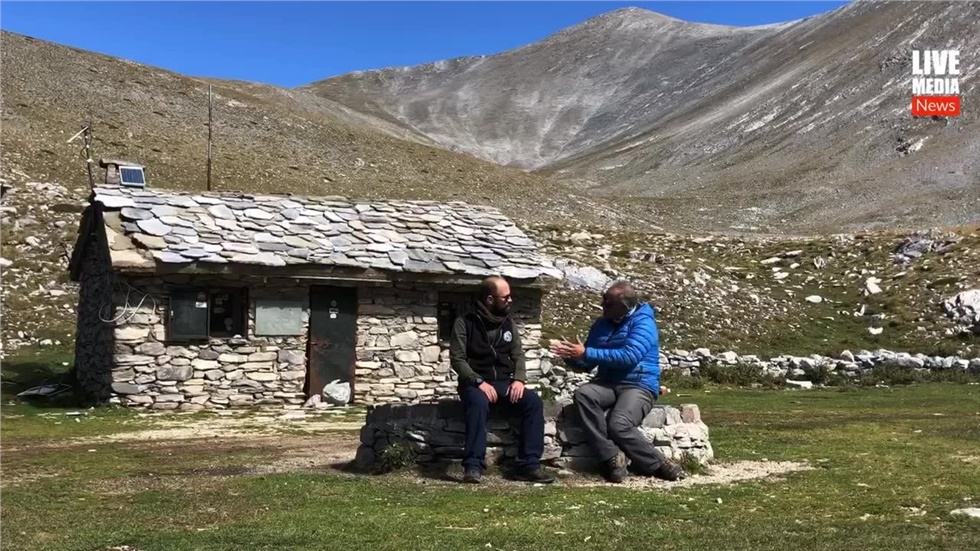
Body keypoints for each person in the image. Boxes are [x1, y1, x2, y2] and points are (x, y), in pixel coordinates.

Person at [550, 281, 685, 483]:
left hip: (639, 384)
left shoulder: (644, 323)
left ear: (625, 304)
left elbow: (629, 357)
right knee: (584, 394)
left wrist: (586, 352)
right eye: (603, 302)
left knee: (619, 424)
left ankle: (658, 464)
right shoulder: (602, 324)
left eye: (609, 304)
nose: (603, 307)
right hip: (608, 382)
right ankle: (612, 456)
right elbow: (588, 362)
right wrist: (572, 355)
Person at [449, 275, 556, 484]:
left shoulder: (508, 323)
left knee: (533, 402)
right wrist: (478, 381)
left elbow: (518, 354)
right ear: (490, 299)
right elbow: (458, 359)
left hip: (504, 382)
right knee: (478, 403)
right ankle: (473, 466)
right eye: (505, 297)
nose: (510, 300)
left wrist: (519, 379)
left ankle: (529, 464)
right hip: (475, 383)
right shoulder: (465, 322)